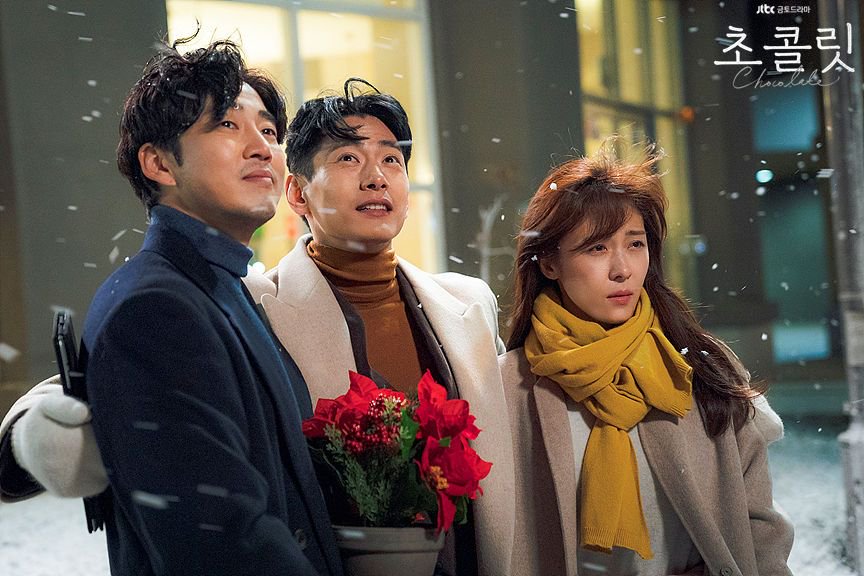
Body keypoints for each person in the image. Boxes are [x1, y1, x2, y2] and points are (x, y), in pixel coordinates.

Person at [0, 79, 514, 576]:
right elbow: (124, 372)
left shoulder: (466, 304)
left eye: (391, 160)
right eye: (348, 158)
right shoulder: (249, 298)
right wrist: (33, 430)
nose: (376, 178)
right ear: (298, 193)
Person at [0, 38, 343, 576]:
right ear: (158, 162)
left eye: (268, 131)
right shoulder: (157, 309)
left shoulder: (220, 284)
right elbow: (221, 543)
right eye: (227, 125)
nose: (262, 148)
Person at [500, 142, 794, 576]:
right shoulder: (508, 388)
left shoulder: (699, 366)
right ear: (548, 263)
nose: (622, 269)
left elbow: (759, 525)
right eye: (596, 248)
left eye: (635, 244)